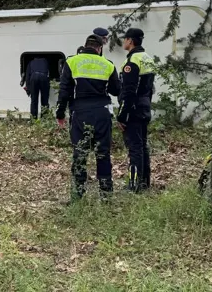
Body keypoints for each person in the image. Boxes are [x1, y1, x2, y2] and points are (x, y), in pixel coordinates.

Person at [56, 35, 121, 201]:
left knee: (80, 152)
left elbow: (64, 91)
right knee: (103, 153)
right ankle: (106, 195)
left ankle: (77, 194)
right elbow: (116, 90)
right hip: (102, 113)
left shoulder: (72, 62)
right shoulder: (108, 65)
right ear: (99, 48)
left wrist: (60, 114)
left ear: (85, 46)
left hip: (80, 113)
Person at [116, 28, 156, 192]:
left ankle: (134, 185)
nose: (123, 42)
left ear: (130, 41)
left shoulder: (132, 61)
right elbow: (150, 88)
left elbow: (129, 91)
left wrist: (122, 116)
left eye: (125, 39)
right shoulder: (147, 59)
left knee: (134, 147)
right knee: (142, 146)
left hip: (133, 109)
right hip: (145, 105)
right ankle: (145, 182)